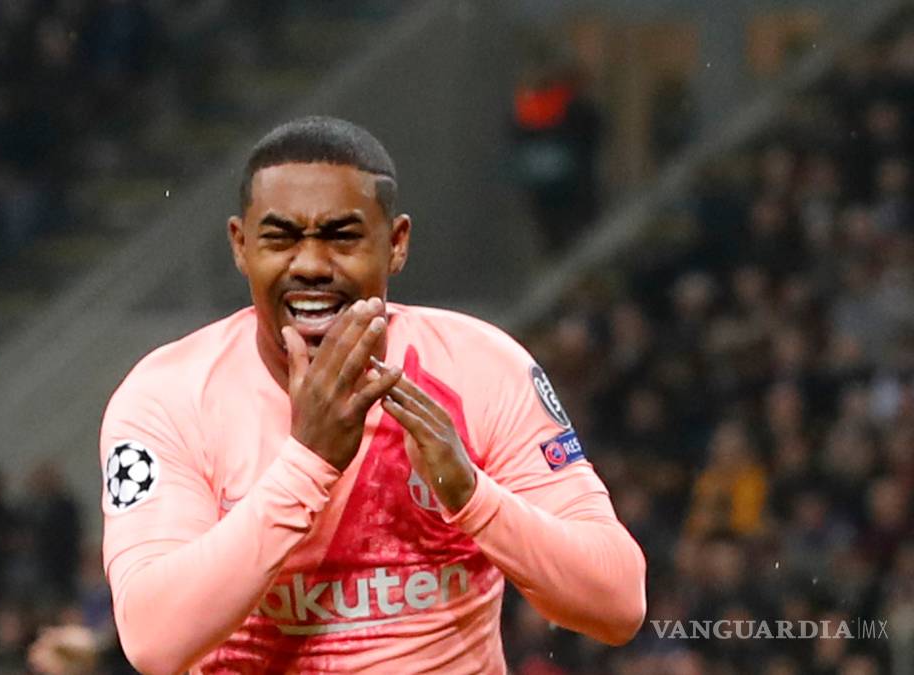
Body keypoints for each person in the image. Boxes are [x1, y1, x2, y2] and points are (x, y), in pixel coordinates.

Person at [97, 116, 646, 674]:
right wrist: (307, 465)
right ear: (241, 246)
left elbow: (618, 604)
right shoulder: (169, 396)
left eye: (343, 237)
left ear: (396, 244)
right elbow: (153, 640)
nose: (311, 265)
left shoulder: (481, 369)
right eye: (280, 238)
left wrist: (472, 497)